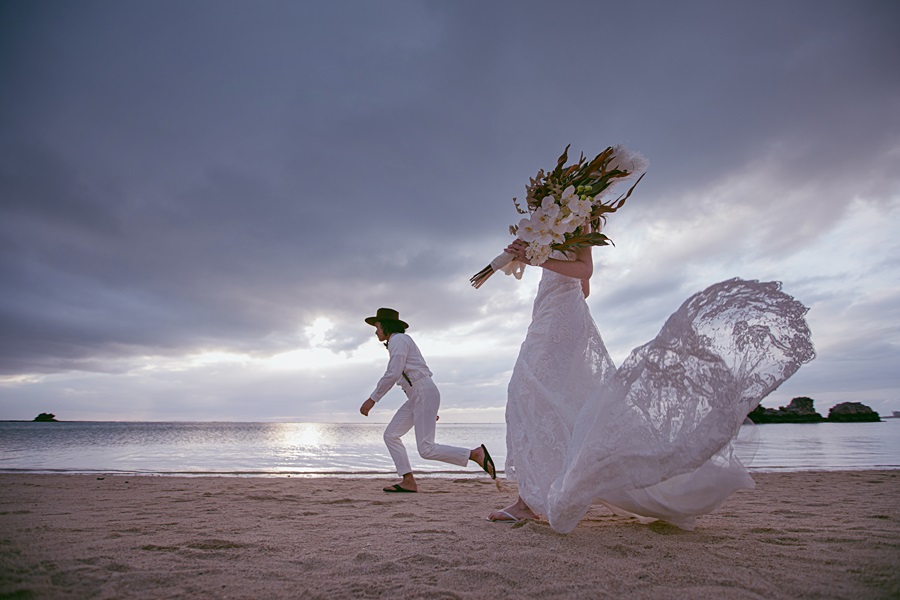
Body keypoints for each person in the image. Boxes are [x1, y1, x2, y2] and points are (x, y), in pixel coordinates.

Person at [489, 235, 814, 531]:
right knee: (550, 397)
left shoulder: (577, 216)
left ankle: (529, 501)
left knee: (527, 390)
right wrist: (529, 258)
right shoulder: (551, 222)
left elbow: (584, 271)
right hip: (551, 313)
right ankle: (540, 492)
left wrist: (538, 258)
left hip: (561, 320)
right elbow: (581, 288)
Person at [360, 308, 496, 492]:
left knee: (426, 449)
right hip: (419, 396)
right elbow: (409, 377)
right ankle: (408, 481)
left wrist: (372, 399)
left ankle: (474, 454)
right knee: (391, 435)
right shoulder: (398, 342)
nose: (376, 331)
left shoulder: (398, 340)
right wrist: (427, 408)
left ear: (384, 326)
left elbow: (393, 373)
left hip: (422, 393)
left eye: (377, 326)